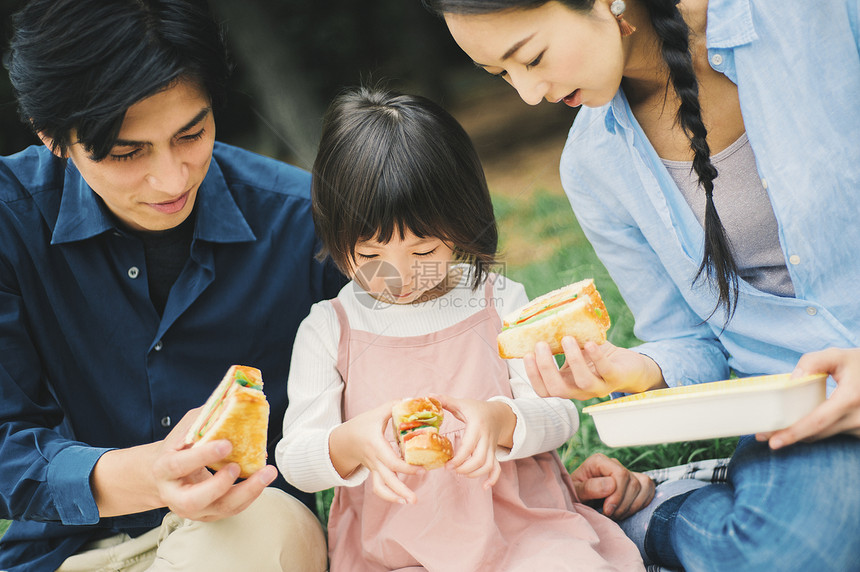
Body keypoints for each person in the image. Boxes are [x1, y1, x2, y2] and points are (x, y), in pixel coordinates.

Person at [423, 0, 860, 570]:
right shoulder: (593, 164)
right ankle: (660, 515)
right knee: (800, 551)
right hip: (805, 416)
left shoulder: (809, 16)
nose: (528, 94)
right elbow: (692, 343)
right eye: (502, 75)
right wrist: (639, 370)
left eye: (531, 57)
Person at [0, 0, 346, 570]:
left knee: (271, 528)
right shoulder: (11, 220)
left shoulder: (304, 220)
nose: (171, 178)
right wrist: (146, 475)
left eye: (192, 134)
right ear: (52, 137)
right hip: (63, 553)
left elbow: (414, 328)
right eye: (125, 153)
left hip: (242, 535)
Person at [276, 86, 653, 571]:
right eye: (369, 256)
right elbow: (295, 459)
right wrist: (350, 443)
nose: (399, 276)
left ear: (460, 223)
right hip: (394, 551)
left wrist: (500, 421)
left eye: (424, 251)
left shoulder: (498, 301)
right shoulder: (330, 328)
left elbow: (560, 416)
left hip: (523, 531)